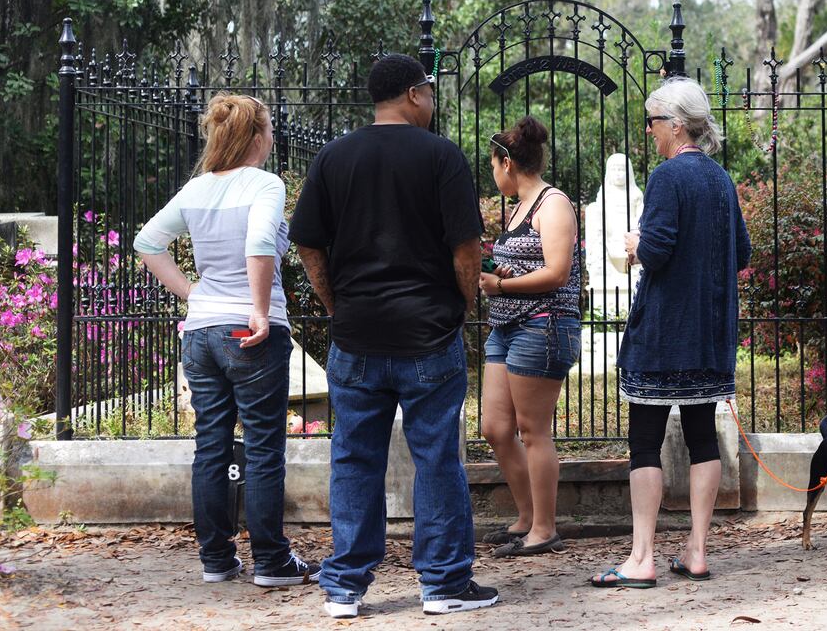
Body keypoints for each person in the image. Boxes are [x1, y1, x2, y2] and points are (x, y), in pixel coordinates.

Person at [289, 53, 498, 618]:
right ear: (413, 94)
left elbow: (307, 241)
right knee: (437, 460)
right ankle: (444, 584)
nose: (432, 102)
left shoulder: (334, 156)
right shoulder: (441, 157)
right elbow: (466, 248)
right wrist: (461, 303)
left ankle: (345, 587)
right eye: (429, 92)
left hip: (357, 335)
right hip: (429, 332)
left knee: (353, 459)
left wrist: (337, 303)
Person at [134, 93, 320, 588]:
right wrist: (258, 309)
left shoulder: (195, 190)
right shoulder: (265, 184)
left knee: (211, 446)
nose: (274, 137)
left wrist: (192, 294)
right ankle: (272, 563)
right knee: (262, 447)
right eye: (271, 129)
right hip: (249, 331)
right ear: (257, 137)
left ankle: (217, 560)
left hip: (201, 331)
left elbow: (147, 242)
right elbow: (260, 243)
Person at [590, 76, 751, 589]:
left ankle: (641, 558)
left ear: (676, 126)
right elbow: (742, 254)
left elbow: (656, 251)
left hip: (663, 335)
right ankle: (697, 551)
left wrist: (637, 244)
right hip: (709, 336)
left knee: (644, 444)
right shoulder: (721, 180)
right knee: (704, 439)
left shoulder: (667, 176)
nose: (649, 130)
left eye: (654, 121)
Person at [478, 117, 581, 558]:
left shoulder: (552, 203)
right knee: (496, 428)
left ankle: (543, 528)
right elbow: (530, 264)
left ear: (507, 163)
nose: (493, 175)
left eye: (493, 167)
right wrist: (505, 276)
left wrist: (500, 285)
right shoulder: (519, 207)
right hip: (506, 326)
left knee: (532, 430)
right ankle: (524, 518)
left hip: (543, 324)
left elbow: (556, 273)